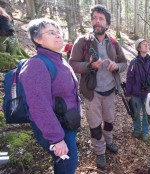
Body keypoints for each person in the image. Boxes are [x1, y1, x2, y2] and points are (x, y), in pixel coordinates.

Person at [68, 5, 127, 170]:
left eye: (101, 19)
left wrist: (117, 66)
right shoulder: (82, 41)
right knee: (94, 124)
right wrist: (90, 66)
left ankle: (108, 142)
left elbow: (124, 63)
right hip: (91, 92)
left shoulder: (114, 43)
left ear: (107, 24)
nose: (97, 21)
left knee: (109, 121)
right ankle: (99, 151)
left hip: (110, 91)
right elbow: (72, 64)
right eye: (94, 18)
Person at [20, 18, 79, 174]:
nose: (58, 35)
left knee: (68, 164)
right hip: (56, 129)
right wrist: (57, 139)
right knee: (67, 166)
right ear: (37, 39)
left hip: (67, 123)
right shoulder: (36, 64)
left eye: (58, 32)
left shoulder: (60, 60)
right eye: (52, 33)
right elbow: (39, 106)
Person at [125, 38, 150, 142]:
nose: (147, 46)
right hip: (135, 94)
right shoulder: (133, 63)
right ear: (139, 48)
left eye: (147, 44)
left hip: (149, 94)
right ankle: (137, 131)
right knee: (136, 114)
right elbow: (129, 78)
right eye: (144, 44)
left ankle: (145, 133)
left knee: (146, 115)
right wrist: (128, 93)